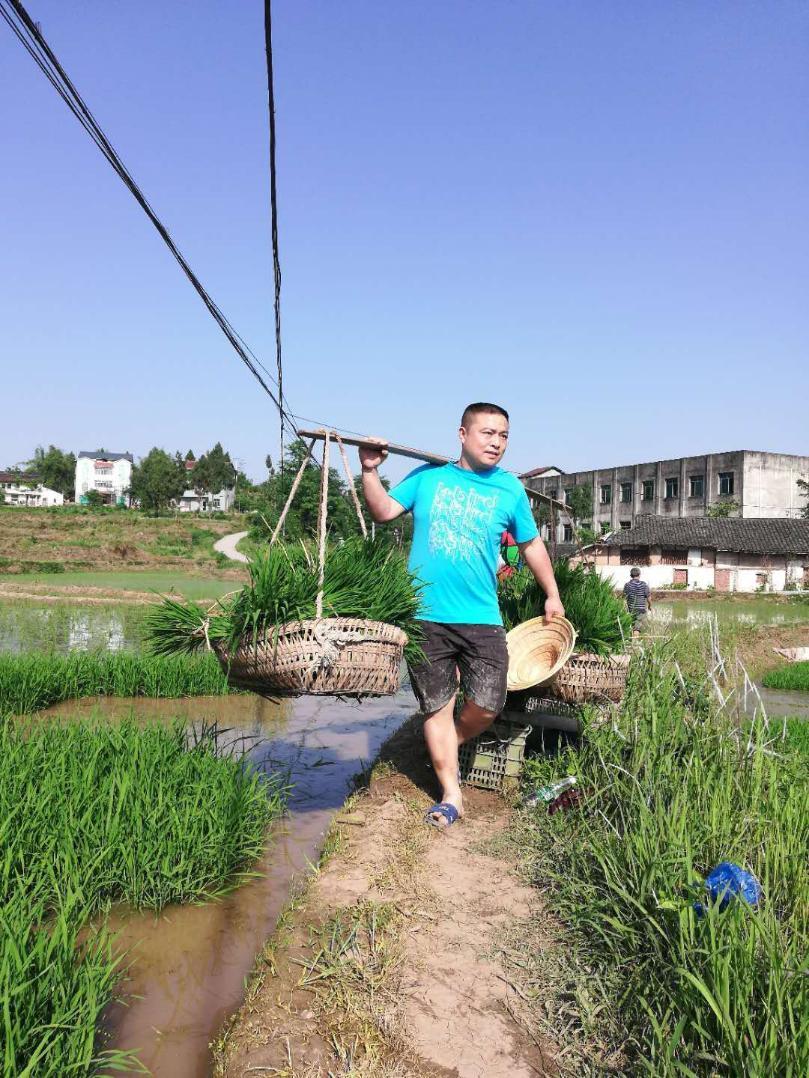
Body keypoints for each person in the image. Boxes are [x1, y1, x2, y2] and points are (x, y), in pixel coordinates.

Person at [359, 402, 564, 830]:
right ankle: (452, 794)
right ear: (462, 434)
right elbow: (383, 511)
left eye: (503, 435)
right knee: (437, 705)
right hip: (426, 616)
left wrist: (552, 593)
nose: (496, 442)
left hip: (481, 616)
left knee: (488, 702)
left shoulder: (509, 489)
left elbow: (530, 545)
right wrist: (370, 471)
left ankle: (446, 742)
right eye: (487, 432)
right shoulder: (428, 477)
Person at [623, 566, 651, 635]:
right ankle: (635, 641)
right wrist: (649, 606)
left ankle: (631, 639)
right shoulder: (644, 585)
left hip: (631, 610)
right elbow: (649, 598)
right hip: (640, 610)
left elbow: (624, 598)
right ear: (639, 575)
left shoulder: (627, 585)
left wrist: (624, 609)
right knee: (636, 628)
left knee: (632, 626)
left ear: (631, 575)